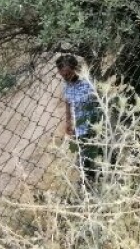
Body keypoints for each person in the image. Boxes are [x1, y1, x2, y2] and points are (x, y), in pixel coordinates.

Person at [57, 54, 103, 187]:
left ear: (75, 68)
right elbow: (68, 103)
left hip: (95, 124)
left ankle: (107, 174)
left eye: (68, 74)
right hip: (80, 127)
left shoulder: (87, 81)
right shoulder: (66, 85)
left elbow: (99, 101)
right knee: (85, 157)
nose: (66, 78)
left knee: (101, 151)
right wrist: (68, 122)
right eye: (63, 75)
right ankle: (89, 182)